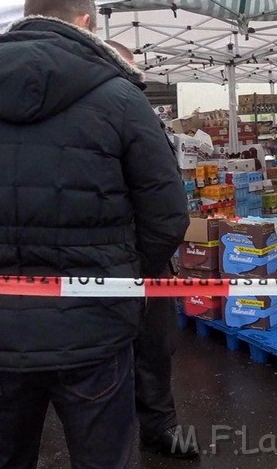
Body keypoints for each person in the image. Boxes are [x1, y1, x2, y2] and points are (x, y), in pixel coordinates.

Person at [0, 0, 189, 469]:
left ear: (27, 17)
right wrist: (122, 273)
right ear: (85, 20)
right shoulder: (121, 97)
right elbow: (168, 212)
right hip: (95, 320)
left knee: (3, 460)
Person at [104, 38, 199, 460]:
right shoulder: (113, 107)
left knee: (156, 346)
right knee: (112, 356)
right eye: (133, 67)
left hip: (143, 259)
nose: (139, 74)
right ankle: (125, 432)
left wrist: (150, 258)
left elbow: (164, 199)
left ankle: (159, 424)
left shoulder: (133, 109)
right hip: (117, 261)